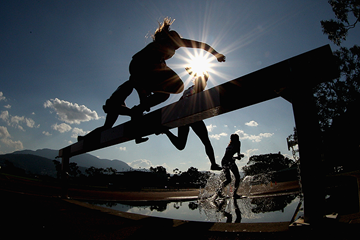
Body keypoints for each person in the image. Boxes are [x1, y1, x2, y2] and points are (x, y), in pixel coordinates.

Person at [78, 17, 225, 143]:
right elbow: (201, 45)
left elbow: (148, 66)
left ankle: (86, 137)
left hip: (139, 68)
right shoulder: (173, 41)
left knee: (163, 94)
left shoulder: (159, 47)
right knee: (176, 86)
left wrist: (143, 101)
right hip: (143, 68)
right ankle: (140, 108)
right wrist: (216, 54)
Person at [161, 67, 222, 171]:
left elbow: (179, 103)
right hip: (191, 117)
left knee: (182, 145)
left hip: (186, 117)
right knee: (205, 142)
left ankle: (213, 164)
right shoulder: (195, 88)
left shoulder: (189, 90)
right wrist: (191, 72)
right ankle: (213, 163)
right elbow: (206, 77)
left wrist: (191, 71)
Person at [216, 134, 243, 198]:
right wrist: (238, 157)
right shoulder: (235, 144)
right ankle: (221, 192)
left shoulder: (233, 144)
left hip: (226, 161)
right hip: (227, 161)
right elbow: (233, 156)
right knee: (233, 178)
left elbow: (237, 155)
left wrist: (239, 156)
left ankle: (220, 191)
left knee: (231, 179)